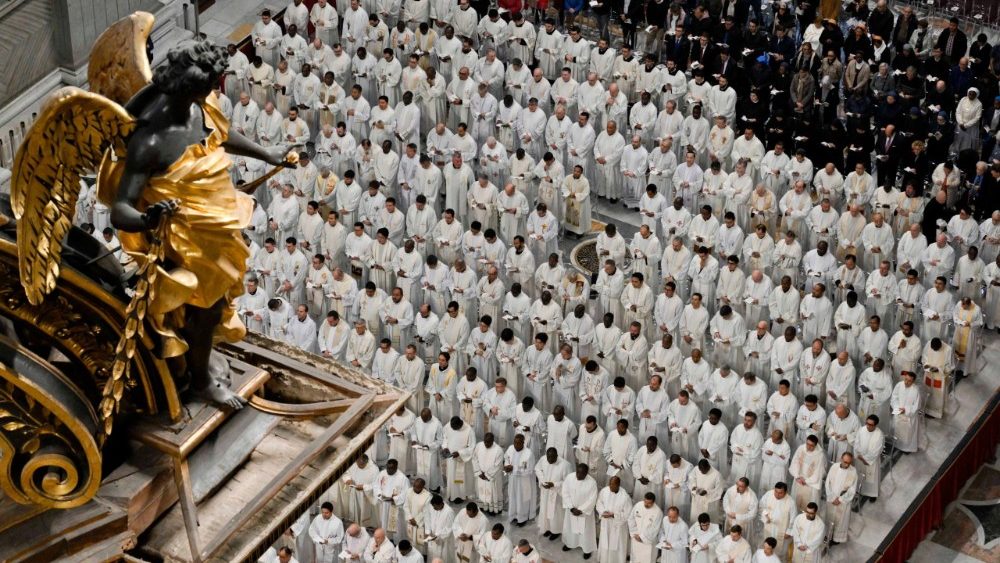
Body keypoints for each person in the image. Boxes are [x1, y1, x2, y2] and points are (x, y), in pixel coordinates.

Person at [561, 463, 599, 558]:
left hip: (584, 513)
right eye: (577, 472)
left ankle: (587, 549)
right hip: (571, 510)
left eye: (581, 474)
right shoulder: (570, 478)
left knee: (585, 531)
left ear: (586, 473)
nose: (578, 475)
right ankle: (570, 543)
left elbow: (592, 499)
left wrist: (581, 510)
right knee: (570, 528)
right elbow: (565, 492)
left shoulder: (592, 482)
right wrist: (571, 507)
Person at [824, 452, 858, 545]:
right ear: (841, 459)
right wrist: (832, 497)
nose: (847, 465)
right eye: (845, 462)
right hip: (831, 499)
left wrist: (840, 499)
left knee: (841, 520)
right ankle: (828, 534)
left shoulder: (853, 471)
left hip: (843, 502)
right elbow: (828, 483)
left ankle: (837, 537)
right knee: (830, 517)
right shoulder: (834, 467)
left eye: (849, 463)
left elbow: (852, 489)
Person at [504, 433, 537, 526]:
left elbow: (529, 470)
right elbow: (506, 458)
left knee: (522, 499)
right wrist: (506, 466)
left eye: (518, 443)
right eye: (515, 442)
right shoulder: (510, 449)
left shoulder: (528, 454)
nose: (516, 445)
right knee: (513, 497)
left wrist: (513, 468)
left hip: (523, 480)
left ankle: (522, 518)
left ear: (523, 443)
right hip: (513, 479)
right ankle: (513, 516)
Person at [628, 492, 663, 563]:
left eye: (649, 503)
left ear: (653, 502)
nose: (646, 504)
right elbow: (631, 519)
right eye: (645, 502)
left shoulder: (658, 512)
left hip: (648, 542)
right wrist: (634, 533)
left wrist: (642, 537)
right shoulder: (638, 505)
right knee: (635, 559)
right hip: (636, 538)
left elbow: (654, 529)